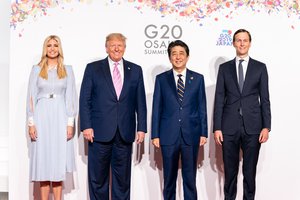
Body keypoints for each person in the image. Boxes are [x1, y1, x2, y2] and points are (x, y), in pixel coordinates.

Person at [79, 33, 147, 200]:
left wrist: (142, 128)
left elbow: (141, 102)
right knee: (98, 179)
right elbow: (85, 99)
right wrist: (86, 125)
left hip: (125, 133)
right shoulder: (93, 68)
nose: (116, 48)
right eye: (112, 45)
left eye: (120, 45)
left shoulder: (135, 70)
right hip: (99, 133)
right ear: (106, 47)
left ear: (124, 48)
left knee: (122, 181)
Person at [213, 29, 271, 200]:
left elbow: (265, 98)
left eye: (245, 40)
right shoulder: (224, 68)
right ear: (233, 43)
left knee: (249, 172)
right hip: (228, 127)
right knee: (230, 173)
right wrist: (217, 127)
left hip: (253, 127)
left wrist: (266, 126)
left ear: (250, 43)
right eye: (238, 40)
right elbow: (219, 99)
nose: (242, 43)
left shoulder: (260, 67)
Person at [151, 40, 208, 200]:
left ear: (187, 56)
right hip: (168, 135)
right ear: (169, 57)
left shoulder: (197, 79)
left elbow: (202, 107)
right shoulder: (161, 79)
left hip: (191, 134)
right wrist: (155, 134)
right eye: (174, 54)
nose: (178, 57)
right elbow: (157, 108)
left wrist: (203, 132)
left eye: (181, 53)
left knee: (190, 180)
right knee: (169, 180)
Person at [26, 35, 77, 200]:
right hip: (41, 116)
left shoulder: (67, 69)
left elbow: (71, 97)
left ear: (59, 48)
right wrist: (31, 123)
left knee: (57, 161)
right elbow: (31, 97)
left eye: (55, 45)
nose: (52, 48)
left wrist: (70, 123)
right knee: (43, 162)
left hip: (60, 116)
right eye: (49, 45)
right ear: (45, 48)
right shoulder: (36, 69)